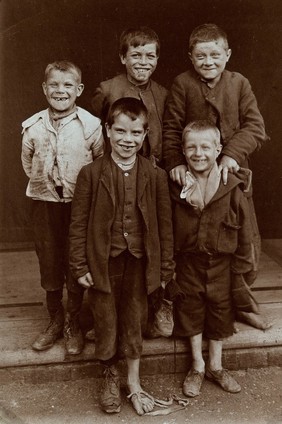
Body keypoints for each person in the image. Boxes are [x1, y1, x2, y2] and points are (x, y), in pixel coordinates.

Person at [69, 97, 175, 415]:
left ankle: (134, 381)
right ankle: (109, 375)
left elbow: (165, 225)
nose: (128, 140)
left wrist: (166, 265)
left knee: (134, 316)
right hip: (103, 260)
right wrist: (78, 264)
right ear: (107, 130)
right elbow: (77, 225)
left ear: (145, 135)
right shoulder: (91, 173)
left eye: (136, 133)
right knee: (105, 317)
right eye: (121, 131)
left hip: (140, 261)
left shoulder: (154, 176)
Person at [162, 23, 270, 329]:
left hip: (231, 174)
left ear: (227, 55)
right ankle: (197, 303)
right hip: (193, 174)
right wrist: (175, 163)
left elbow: (255, 126)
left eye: (215, 54)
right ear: (191, 58)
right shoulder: (182, 84)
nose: (208, 61)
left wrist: (231, 155)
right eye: (201, 56)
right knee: (199, 243)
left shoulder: (239, 83)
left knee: (243, 241)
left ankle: (242, 303)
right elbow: (170, 128)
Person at [21, 60, 104, 355]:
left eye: (67, 85)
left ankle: (73, 321)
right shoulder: (32, 127)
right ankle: (55, 318)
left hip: (79, 206)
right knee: (49, 260)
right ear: (44, 89)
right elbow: (28, 163)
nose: (60, 91)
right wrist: (47, 185)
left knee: (75, 260)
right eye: (54, 85)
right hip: (45, 205)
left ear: (78, 90)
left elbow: (99, 164)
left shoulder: (92, 126)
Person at [170, 120, 256, 398]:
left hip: (223, 264)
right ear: (182, 150)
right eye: (191, 147)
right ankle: (197, 365)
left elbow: (244, 230)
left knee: (221, 310)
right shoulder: (176, 185)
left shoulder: (232, 185)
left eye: (206, 147)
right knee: (191, 308)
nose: (198, 153)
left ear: (218, 149)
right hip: (188, 262)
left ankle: (216, 366)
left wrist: (242, 268)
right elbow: (167, 227)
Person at [91, 26, 167, 165]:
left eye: (150, 56)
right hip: (116, 168)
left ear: (157, 58)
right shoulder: (106, 90)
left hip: (154, 169)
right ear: (123, 58)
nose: (143, 62)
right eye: (136, 55)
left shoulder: (163, 94)